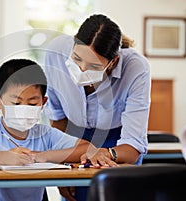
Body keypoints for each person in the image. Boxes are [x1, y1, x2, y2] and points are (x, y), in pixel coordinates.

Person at [0, 59, 94, 201]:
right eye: (16, 103)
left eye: (32, 103)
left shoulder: (45, 134)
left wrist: (44, 156)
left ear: (43, 102)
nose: (23, 109)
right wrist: (2, 157)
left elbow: (88, 149)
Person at [43, 14, 151, 201]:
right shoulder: (55, 53)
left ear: (113, 63)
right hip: (73, 138)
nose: (82, 70)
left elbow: (133, 145)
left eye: (93, 66)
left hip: (118, 142)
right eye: (76, 59)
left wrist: (107, 153)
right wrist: (62, 166)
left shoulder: (136, 67)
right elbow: (58, 119)